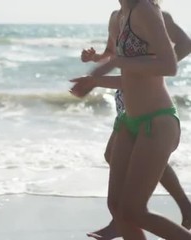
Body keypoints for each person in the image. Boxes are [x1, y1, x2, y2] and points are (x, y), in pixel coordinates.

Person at [71, 0, 191, 239]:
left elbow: (169, 65)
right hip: (128, 120)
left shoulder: (146, 10)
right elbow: (129, 78)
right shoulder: (120, 16)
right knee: (119, 210)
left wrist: (116, 62)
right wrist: (94, 81)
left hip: (157, 121)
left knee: (134, 211)